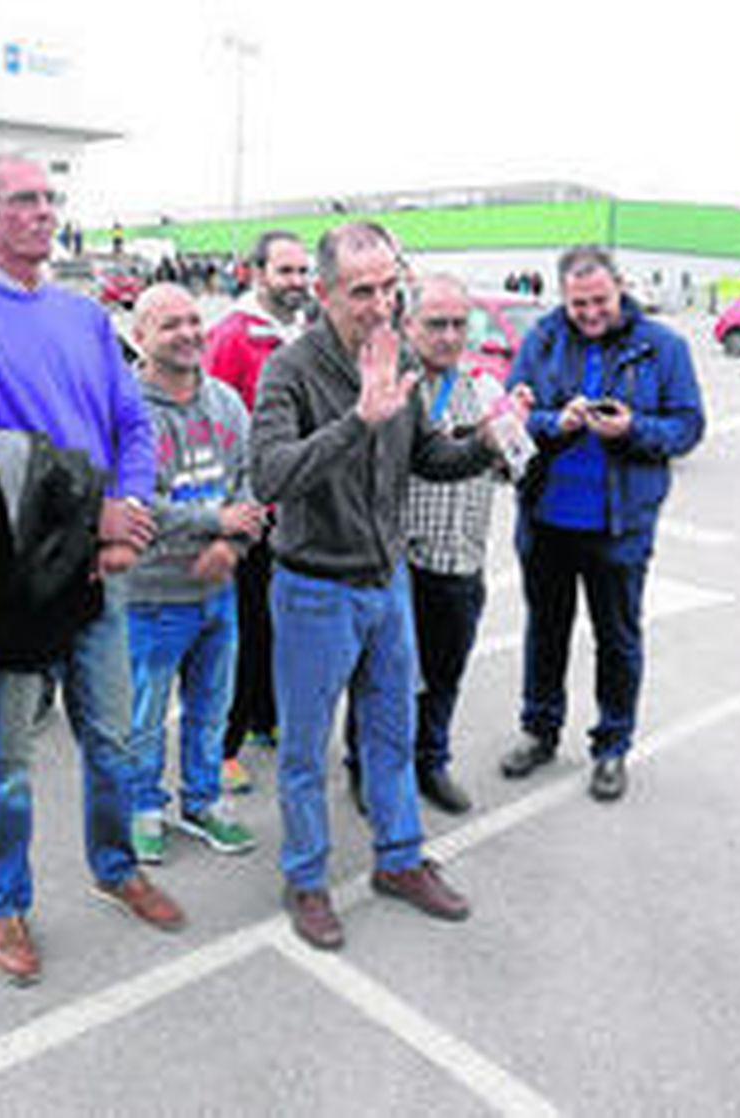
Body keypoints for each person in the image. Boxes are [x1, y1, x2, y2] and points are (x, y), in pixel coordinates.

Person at [0, 147, 184, 987]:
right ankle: (3, 901)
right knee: (3, 765)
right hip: (14, 585)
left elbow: (131, 427)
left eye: (50, 196)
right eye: (24, 199)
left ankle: (114, 867)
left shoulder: (81, 317)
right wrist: (87, 514)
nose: (43, 211)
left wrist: (124, 524)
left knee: (111, 740)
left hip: (101, 574)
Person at [252, 223, 512, 951]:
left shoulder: (393, 354)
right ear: (325, 291)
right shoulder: (290, 370)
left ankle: (398, 861)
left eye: (387, 287)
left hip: (385, 581)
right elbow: (270, 475)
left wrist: (485, 443)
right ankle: (306, 880)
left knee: (392, 734)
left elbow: (428, 454)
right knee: (305, 751)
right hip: (313, 588)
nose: (378, 304)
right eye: (361, 291)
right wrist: (357, 421)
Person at [501, 245, 705, 802]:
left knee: (617, 640)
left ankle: (612, 746)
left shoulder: (662, 346)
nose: (589, 313)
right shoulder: (543, 338)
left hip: (619, 525)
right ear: (561, 296)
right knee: (546, 632)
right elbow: (512, 414)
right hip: (546, 519)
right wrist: (556, 421)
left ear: (620, 288)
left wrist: (635, 429)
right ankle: (539, 731)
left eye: (599, 301)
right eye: (577, 303)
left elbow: (688, 427)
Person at [343, 274, 516, 816]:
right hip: (400, 564)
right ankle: (363, 767)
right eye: (435, 324)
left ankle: (430, 762)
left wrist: (516, 434)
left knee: (444, 674)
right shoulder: (388, 388)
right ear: (408, 325)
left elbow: (516, 467)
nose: (448, 336)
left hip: (462, 562)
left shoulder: (484, 389)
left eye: (459, 324)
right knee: (380, 680)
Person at [125, 283, 263, 864]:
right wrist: (215, 518)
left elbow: (254, 485)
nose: (187, 333)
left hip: (219, 590)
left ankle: (202, 803)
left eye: (191, 320)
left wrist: (231, 545)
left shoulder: (228, 403)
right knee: (145, 718)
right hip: (151, 596)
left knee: (212, 709)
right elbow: (133, 503)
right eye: (168, 325)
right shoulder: (124, 410)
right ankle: (141, 808)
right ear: (140, 338)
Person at [203, 230, 312, 794]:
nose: (296, 282)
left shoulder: (302, 332)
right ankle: (222, 744)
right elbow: (214, 423)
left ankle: (264, 719)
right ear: (255, 273)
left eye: (301, 271)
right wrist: (230, 509)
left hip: (293, 507)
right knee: (238, 628)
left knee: (274, 623)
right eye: (285, 272)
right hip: (248, 509)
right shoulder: (230, 337)